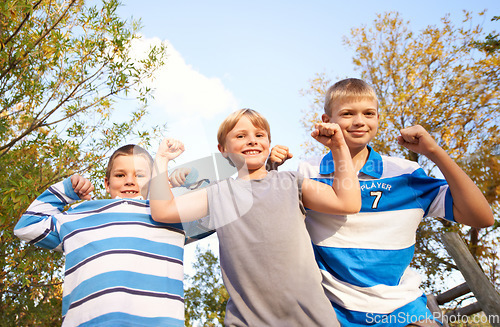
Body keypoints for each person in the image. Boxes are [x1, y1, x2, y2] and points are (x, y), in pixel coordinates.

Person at [268, 78, 494, 327]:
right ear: (326, 120)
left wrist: (435, 153)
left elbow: (482, 218)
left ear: (377, 118)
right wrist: (268, 170)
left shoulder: (405, 172)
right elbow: (262, 211)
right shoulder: (307, 172)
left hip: (401, 309)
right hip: (330, 311)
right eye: (347, 113)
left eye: (368, 113)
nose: (359, 121)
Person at [149, 108, 362, 327]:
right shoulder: (218, 193)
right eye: (241, 136)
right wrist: (162, 159)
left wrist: (339, 147)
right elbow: (162, 210)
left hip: (312, 320)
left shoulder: (291, 183)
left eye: (259, 135)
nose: (252, 141)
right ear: (222, 149)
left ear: (268, 143)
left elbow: (348, 202)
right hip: (247, 321)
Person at [14, 144, 211, 326]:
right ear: (107, 184)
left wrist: (191, 180)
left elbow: (215, 214)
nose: (130, 181)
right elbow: (27, 226)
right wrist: (67, 190)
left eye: (140, 175)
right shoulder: (79, 214)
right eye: (120, 175)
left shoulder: (169, 216)